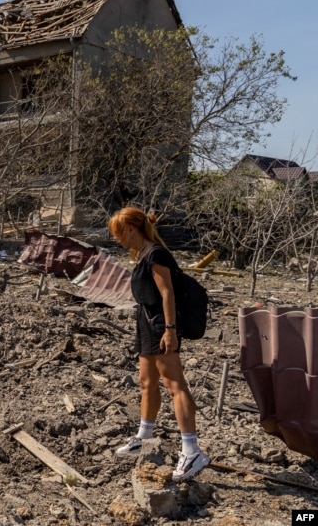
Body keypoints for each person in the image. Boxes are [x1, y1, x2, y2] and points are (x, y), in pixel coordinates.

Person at [108, 206, 210, 482]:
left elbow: (168, 294)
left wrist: (170, 330)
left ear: (130, 229)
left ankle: (192, 451)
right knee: (146, 381)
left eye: (118, 233)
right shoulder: (141, 255)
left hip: (161, 325)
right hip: (146, 323)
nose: (117, 239)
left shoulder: (156, 255)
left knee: (174, 384)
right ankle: (144, 435)